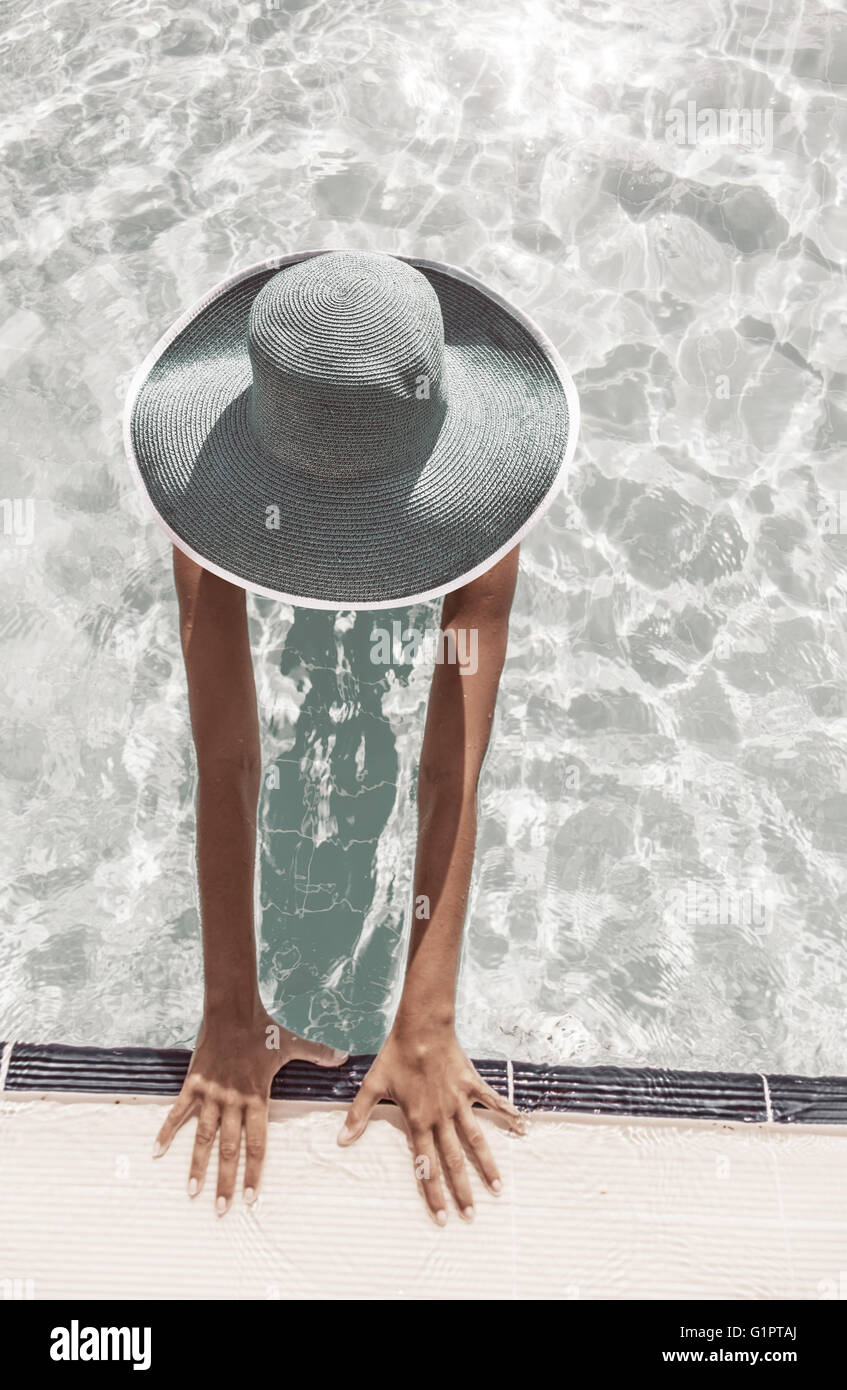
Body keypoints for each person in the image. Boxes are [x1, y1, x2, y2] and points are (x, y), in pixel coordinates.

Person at [127, 248, 578, 1224]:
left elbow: (450, 751)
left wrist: (428, 1009)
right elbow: (230, 761)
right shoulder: (217, 499)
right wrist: (228, 1009)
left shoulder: (479, 505)